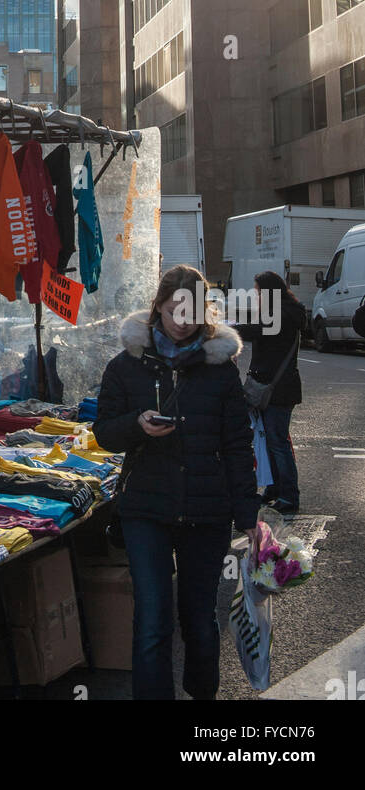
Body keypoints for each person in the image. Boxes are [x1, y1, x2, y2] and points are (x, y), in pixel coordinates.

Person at [94, 263, 260, 702]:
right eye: (173, 311)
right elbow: (104, 432)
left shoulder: (219, 368)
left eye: (191, 312)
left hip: (207, 512)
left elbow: (239, 444)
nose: (182, 321)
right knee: (152, 619)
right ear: (159, 308)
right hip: (145, 508)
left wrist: (249, 516)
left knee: (201, 621)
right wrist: (137, 424)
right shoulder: (127, 365)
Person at [238, 270, 304, 516]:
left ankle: (288, 495)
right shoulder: (285, 311)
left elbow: (254, 331)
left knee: (277, 442)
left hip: (277, 389)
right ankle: (275, 489)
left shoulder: (281, 315)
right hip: (277, 387)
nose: (256, 296)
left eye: (258, 291)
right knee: (269, 440)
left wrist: (225, 327)